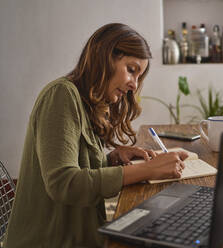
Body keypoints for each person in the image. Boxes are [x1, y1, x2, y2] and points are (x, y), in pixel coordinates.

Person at [4, 23, 188, 248]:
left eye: (139, 76)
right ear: (105, 57)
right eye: (131, 70)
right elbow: (64, 183)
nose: (134, 85)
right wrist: (146, 170)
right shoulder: (61, 95)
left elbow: (78, 166)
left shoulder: (88, 102)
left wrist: (112, 158)